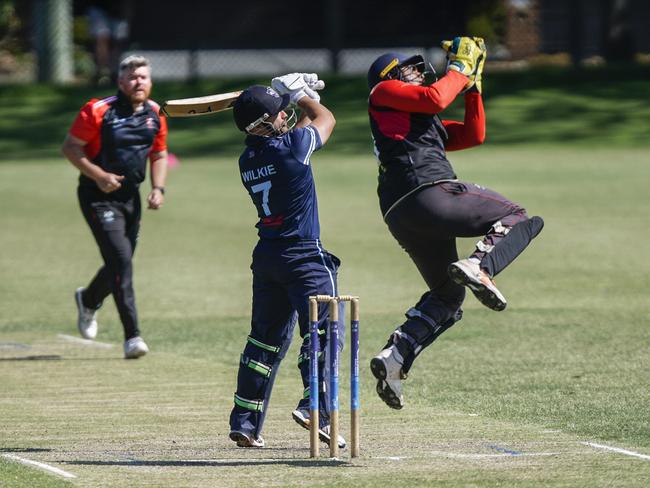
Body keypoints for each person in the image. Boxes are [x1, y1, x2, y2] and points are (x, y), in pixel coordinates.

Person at [366, 37, 544, 409]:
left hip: (403, 214)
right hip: (427, 193)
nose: (418, 72)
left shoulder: (415, 118)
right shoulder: (383, 92)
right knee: (518, 217)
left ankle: (395, 356)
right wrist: (460, 69)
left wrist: (473, 85)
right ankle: (480, 264)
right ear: (391, 75)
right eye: (410, 68)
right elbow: (435, 98)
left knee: (448, 295)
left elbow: (474, 134)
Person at [227, 75, 345, 449]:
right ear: (264, 125)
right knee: (324, 334)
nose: (287, 117)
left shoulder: (248, 158)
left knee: (264, 342)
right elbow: (326, 120)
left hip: (268, 258)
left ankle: (246, 421)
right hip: (304, 257)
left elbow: (300, 132)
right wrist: (302, 95)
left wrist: (295, 97)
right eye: (280, 114)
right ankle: (317, 409)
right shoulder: (291, 149)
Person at [61, 55, 168, 359]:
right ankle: (132, 336)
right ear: (121, 82)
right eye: (132, 77)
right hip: (97, 196)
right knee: (122, 259)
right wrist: (100, 176)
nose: (138, 82)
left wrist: (158, 188)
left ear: (150, 82)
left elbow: (159, 153)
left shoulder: (156, 113)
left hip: (130, 198)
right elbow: (70, 147)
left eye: (143, 77)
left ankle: (89, 299)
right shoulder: (97, 110)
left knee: (118, 262)